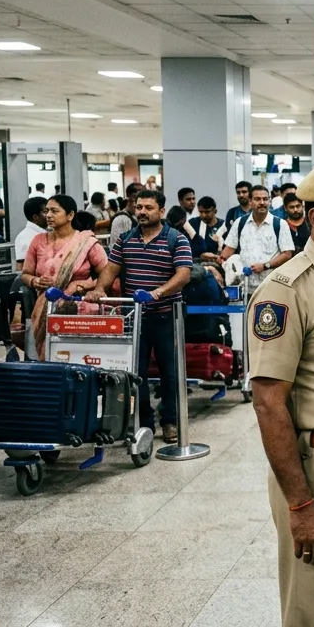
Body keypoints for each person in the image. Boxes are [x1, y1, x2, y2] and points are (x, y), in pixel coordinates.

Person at [86, 189, 193, 441]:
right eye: (139, 207)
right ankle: (143, 422)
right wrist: (100, 288)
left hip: (168, 315)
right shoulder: (125, 239)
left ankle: (171, 421)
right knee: (136, 373)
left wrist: (158, 293)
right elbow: (111, 269)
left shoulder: (176, 239)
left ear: (162, 211)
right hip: (135, 318)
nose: (142, 212)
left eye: (148, 208)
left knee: (170, 372)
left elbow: (183, 275)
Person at [21, 194, 107, 359]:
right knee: (50, 358)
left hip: (79, 310)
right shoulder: (38, 241)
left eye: (54, 211)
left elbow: (108, 273)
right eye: (47, 211)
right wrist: (35, 281)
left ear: (70, 215)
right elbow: (25, 274)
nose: (48, 216)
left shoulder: (85, 242)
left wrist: (81, 285)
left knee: (78, 358)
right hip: (45, 310)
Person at [222, 185, 295, 288]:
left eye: (265, 199)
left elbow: (287, 254)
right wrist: (220, 260)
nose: (262, 203)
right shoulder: (240, 223)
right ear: (250, 201)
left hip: (271, 286)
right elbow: (228, 250)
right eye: (257, 199)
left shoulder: (279, 224)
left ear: (269, 201)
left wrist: (265, 266)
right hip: (245, 287)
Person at [13, 195, 48, 268]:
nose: (50, 215)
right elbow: (22, 268)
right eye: (45, 212)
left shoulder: (44, 233)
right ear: (35, 217)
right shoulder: (25, 237)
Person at [189, 196, 227, 261]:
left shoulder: (224, 226)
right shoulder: (193, 223)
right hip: (196, 262)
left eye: (207, 212)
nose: (203, 215)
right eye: (201, 212)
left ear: (215, 211)